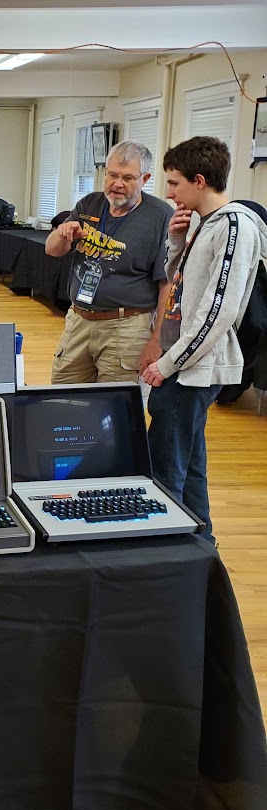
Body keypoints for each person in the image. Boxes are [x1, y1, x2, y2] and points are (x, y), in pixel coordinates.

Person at [142, 136, 267, 542]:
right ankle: (200, 545)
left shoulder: (234, 226)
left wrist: (167, 364)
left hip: (192, 370)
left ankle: (165, 553)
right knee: (190, 467)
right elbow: (180, 284)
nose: (168, 193)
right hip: (183, 365)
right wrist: (177, 242)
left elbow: (218, 311)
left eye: (174, 183)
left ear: (199, 181)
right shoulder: (206, 224)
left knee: (165, 469)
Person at [44, 140, 172, 384]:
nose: (117, 184)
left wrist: (157, 341)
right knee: (63, 395)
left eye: (127, 178)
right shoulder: (89, 204)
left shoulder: (160, 216)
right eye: (112, 175)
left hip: (127, 328)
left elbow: (167, 285)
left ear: (144, 179)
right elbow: (52, 250)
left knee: (116, 403)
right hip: (78, 321)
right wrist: (62, 234)